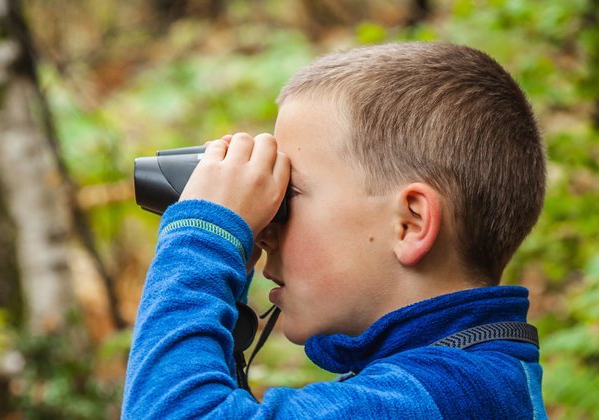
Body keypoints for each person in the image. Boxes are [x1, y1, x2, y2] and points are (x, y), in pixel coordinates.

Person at [122, 42, 548, 419]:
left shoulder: (446, 396)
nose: (264, 232)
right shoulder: (471, 379)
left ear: (410, 223)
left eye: (290, 195)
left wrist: (206, 234)